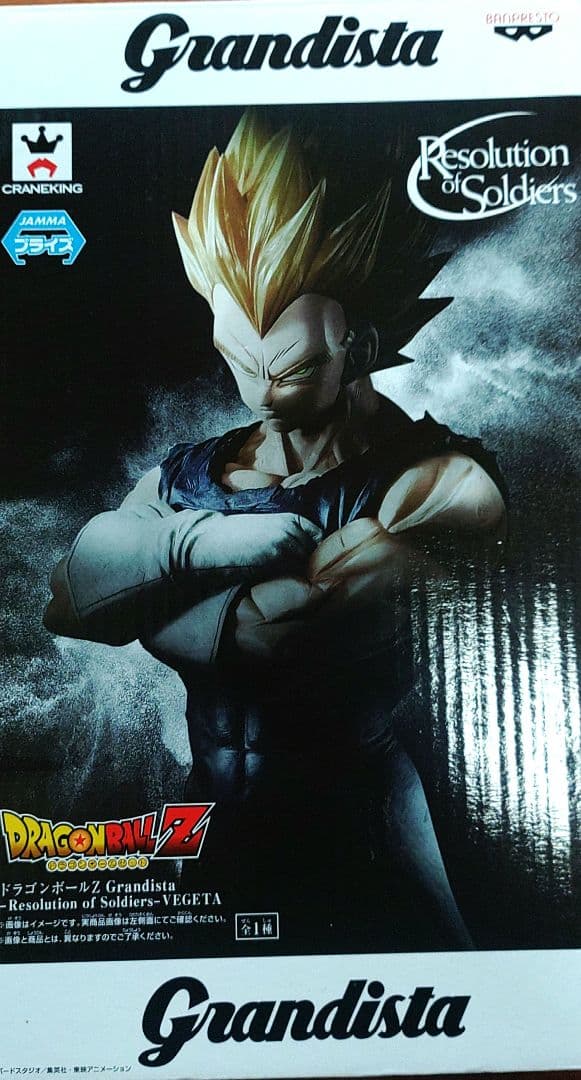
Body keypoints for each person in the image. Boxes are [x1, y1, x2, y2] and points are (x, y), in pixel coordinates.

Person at [45, 111, 506, 951]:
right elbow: (69, 602)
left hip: (360, 818)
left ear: (358, 347)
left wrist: (149, 574)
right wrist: (190, 546)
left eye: (287, 369)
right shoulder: (193, 471)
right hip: (214, 808)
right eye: (237, 357)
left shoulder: (437, 478)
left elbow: (274, 632)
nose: (257, 390)